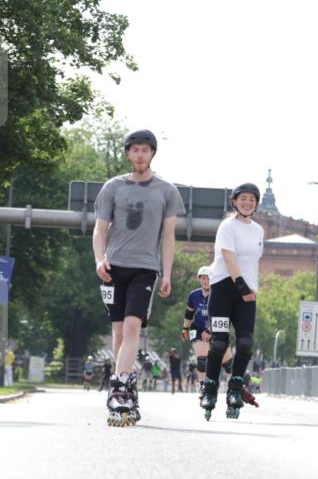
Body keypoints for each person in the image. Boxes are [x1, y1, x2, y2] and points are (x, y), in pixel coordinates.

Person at [93, 129, 185, 424]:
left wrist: (167, 273)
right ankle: (127, 384)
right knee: (119, 331)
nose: (140, 154)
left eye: (145, 150)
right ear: (128, 153)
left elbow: (168, 236)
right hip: (113, 268)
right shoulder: (113, 187)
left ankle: (118, 387)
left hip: (145, 268)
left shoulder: (166, 191)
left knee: (133, 327)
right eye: (135, 150)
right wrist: (99, 260)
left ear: (152, 154)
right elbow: (100, 229)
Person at [200, 183, 264, 418]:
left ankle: (235, 389)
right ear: (235, 202)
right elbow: (229, 259)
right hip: (223, 289)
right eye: (243, 198)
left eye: (252, 199)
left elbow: (252, 263)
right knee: (219, 343)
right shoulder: (227, 226)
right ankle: (209, 390)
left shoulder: (258, 230)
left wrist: (251, 288)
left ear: (256, 204)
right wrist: (242, 287)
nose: (247, 203)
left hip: (247, 292)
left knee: (245, 342)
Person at [180, 265, 233, 394]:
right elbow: (189, 313)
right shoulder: (194, 295)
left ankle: (233, 386)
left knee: (228, 364)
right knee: (201, 360)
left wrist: (209, 330)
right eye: (203, 278)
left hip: (216, 327)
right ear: (199, 279)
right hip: (198, 328)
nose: (206, 281)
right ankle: (203, 386)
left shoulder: (219, 293)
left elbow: (224, 315)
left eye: (208, 278)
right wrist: (185, 328)